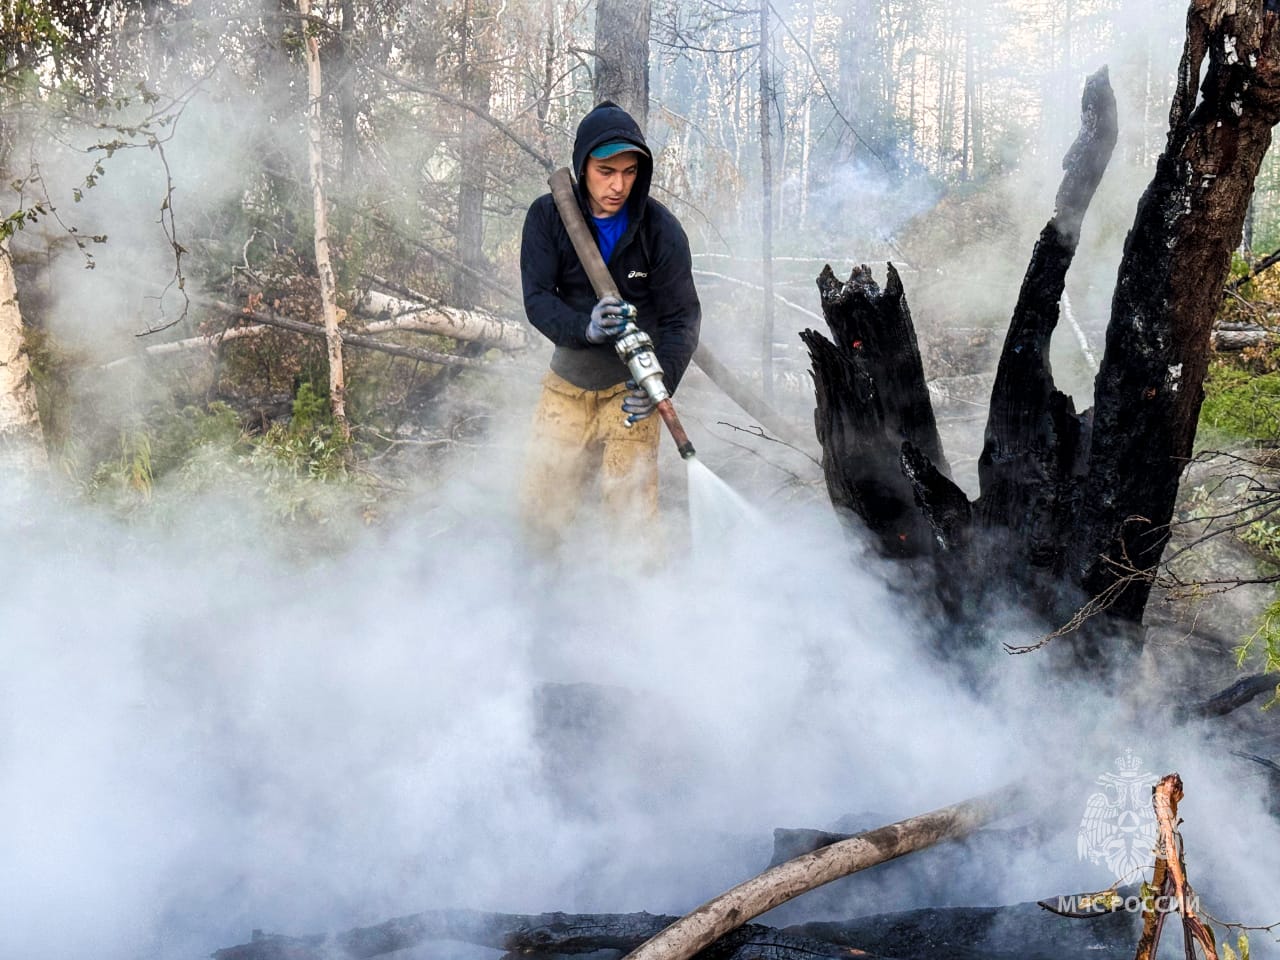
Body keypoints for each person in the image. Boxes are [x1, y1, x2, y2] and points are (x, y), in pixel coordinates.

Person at [519, 100, 701, 556]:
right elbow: (537, 300)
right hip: (566, 387)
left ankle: (636, 612)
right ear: (583, 167)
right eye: (605, 171)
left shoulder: (660, 231)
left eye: (629, 171)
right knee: (542, 509)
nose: (618, 185)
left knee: (633, 520)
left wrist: (664, 381)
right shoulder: (549, 217)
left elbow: (683, 318)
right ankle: (535, 602)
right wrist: (585, 328)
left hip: (631, 396)